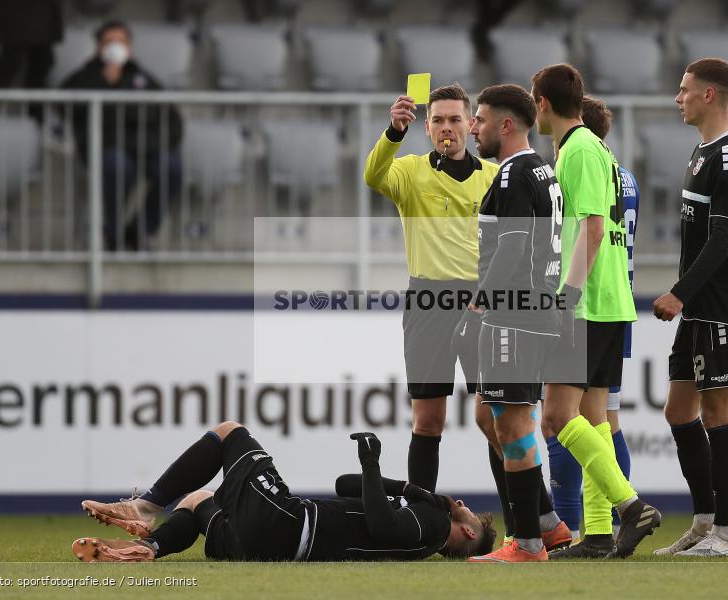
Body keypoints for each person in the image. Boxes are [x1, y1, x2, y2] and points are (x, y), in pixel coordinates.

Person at [532, 63, 660, 560]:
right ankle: (599, 532)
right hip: (610, 301)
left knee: (557, 417)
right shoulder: (595, 148)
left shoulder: (578, 149)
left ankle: (630, 507)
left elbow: (588, 227)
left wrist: (566, 297)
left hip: (585, 304)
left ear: (542, 103)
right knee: (595, 419)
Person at [74, 424, 496, 562]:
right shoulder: (422, 524)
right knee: (198, 500)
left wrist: (373, 464)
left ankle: (146, 507)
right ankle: (150, 546)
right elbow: (344, 486)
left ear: (470, 534)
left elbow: (382, 523)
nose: (461, 504)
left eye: (469, 511)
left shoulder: (436, 524)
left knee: (230, 433)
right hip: (265, 547)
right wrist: (405, 486)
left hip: (291, 524)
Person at [363, 85, 497, 494]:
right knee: (428, 420)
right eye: (438, 119)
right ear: (426, 126)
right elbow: (372, 175)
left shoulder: (493, 177)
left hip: (483, 304)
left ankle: (523, 526)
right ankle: (421, 525)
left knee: (497, 419)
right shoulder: (409, 171)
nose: (447, 127)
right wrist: (393, 131)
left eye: (456, 119)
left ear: (470, 124)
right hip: (428, 304)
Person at [454, 83, 563, 563]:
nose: (472, 128)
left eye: (478, 119)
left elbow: (515, 246)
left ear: (506, 124)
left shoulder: (515, 174)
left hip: (514, 313)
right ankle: (545, 525)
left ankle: (528, 545)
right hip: (533, 309)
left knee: (515, 425)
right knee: (489, 416)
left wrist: (481, 300)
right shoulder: (541, 168)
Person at [652, 57, 728, 558]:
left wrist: (681, 293)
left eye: (685, 89)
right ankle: (704, 521)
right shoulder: (701, 152)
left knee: (718, 410)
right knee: (678, 410)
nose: (679, 97)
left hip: (720, 307)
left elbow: (723, 238)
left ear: (709, 95)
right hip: (697, 309)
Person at [62, 20, 184, 252]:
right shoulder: (87, 76)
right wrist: (104, 82)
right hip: (108, 150)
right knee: (117, 167)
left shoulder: (143, 78)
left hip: (147, 149)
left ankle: (139, 230)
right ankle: (113, 234)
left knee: (172, 167)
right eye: (109, 42)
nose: (115, 47)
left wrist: (157, 144)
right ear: (99, 48)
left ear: (130, 47)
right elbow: (66, 106)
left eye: (121, 42)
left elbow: (173, 120)